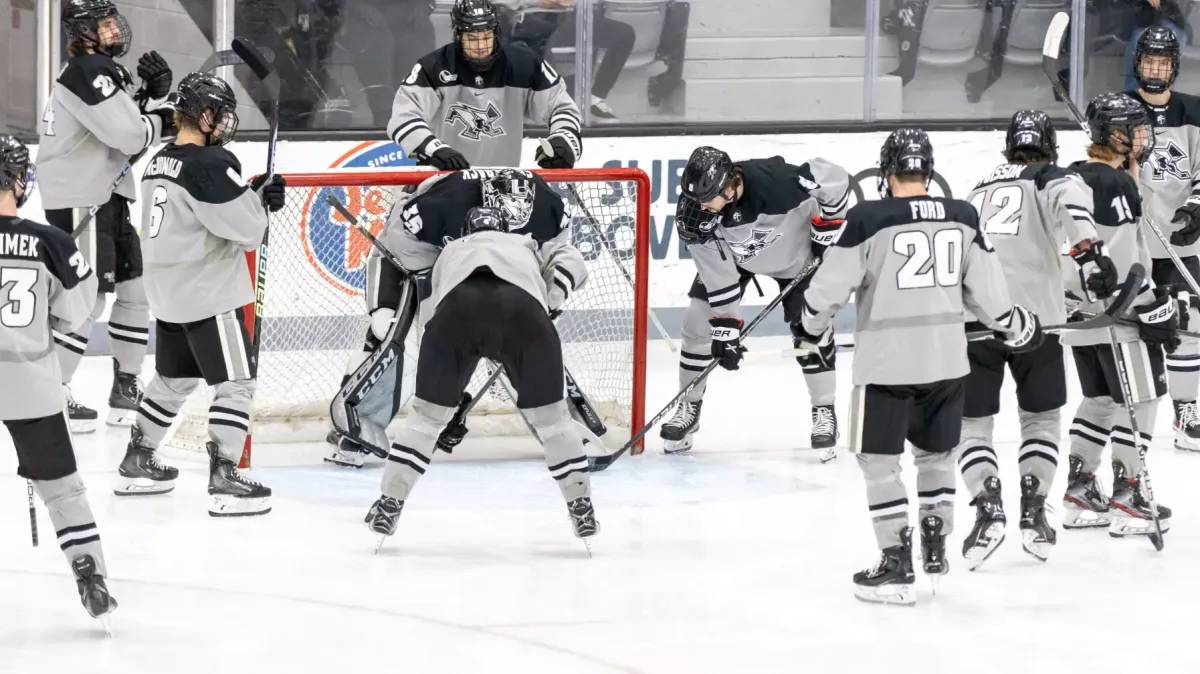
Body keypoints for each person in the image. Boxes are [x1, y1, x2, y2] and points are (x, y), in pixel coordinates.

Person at [794, 128, 1042, 605]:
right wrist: (1014, 324)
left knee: (881, 464)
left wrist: (809, 324)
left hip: (886, 366)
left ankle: (895, 562)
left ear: (887, 171)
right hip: (947, 362)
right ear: (928, 169)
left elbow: (829, 289)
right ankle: (935, 544)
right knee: (936, 458)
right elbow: (990, 296)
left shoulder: (867, 217)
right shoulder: (963, 215)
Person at [365, 205, 597, 545]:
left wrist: (448, 404)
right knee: (553, 422)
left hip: (456, 313)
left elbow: (432, 325)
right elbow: (572, 260)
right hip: (524, 313)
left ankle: (390, 502)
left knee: (425, 422)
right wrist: (551, 297)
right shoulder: (527, 242)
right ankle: (581, 504)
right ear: (505, 228)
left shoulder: (449, 253)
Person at [115, 72, 287, 517]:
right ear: (205, 115)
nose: (226, 124)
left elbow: (201, 210)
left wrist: (250, 194)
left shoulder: (159, 159)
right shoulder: (211, 163)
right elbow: (247, 231)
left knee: (174, 379)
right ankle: (225, 474)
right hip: (208, 292)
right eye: (222, 115)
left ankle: (138, 457)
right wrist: (260, 205)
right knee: (236, 383)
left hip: (168, 293)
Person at [956, 110, 1119, 568]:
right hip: (1036, 323)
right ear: (1050, 145)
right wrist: (1090, 253)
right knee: (1041, 420)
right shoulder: (1049, 176)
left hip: (976, 320)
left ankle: (987, 507)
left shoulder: (977, 188)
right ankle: (1033, 506)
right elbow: (1073, 201)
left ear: (1007, 147)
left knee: (972, 428)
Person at [325, 168, 569, 468]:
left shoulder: (549, 211)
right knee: (388, 331)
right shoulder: (434, 210)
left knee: (525, 333)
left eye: (523, 210)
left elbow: (559, 256)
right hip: (419, 257)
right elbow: (401, 254)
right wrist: (449, 394)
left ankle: (559, 430)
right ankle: (356, 426)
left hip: (491, 269)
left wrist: (546, 300)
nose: (517, 214)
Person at [35, 0, 175, 433]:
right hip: (83, 197)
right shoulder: (86, 70)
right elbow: (131, 134)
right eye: (105, 25)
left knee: (135, 290)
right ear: (84, 32)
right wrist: (164, 117)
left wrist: (152, 99)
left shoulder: (95, 71)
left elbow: (122, 131)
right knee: (86, 297)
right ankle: (51, 391)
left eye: (115, 23)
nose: (115, 31)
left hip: (106, 195)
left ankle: (126, 387)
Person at [660, 147, 852, 456]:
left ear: (730, 186)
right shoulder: (697, 211)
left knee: (811, 329)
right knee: (697, 322)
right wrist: (725, 331)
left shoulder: (777, 183)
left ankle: (824, 410)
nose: (702, 208)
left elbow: (835, 180)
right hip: (739, 262)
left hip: (796, 258)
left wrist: (825, 232)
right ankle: (688, 406)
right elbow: (718, 276)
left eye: (709, 199)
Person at [0, 134, 116, 624]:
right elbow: (76, 315)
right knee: (63, 489)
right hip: (29, 385)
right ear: (20, 181)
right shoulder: (53, 243)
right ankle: (89, 572)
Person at [1061, 92, 1177, 538]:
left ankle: (1080, 487)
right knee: (1142, 398)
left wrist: (1132, 179)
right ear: (1115, 135)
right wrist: (1152, 305)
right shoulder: (1116, 185)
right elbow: (1126, 254)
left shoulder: (1070, 179)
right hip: (1120, 315)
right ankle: (1129, 493)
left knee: (1101, 400)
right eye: (1136, 128)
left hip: (1078, 316)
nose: (1143, 135)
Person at [386, 0, 583, 170]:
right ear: (458, 35)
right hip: (443, 182)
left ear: (496, 32)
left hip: (503, 183)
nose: (480, 46)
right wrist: (433, 149)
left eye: (486, 37)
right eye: (472, 38)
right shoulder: (433, 67)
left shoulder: (525, 64)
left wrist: (564, 138)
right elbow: (402, 118)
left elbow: (560, 105)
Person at [1124, 27, 1200, 451]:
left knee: (1189, 327)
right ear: (1138, 63)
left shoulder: (1194, 112)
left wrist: (1197, 207)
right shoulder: (1119, 110)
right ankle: (1133, 417)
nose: (1155, 69)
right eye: (1149, 61)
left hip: (1177, 244)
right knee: (1133, 332)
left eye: (1163, 62)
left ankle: (1186, 412)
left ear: (1174, 67)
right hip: (1132, 247)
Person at [501, 0, 636, 120]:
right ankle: (543, 99)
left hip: (572, 16)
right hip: (532, 16)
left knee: (624, 34)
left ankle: (595, 97)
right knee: (544, 42)